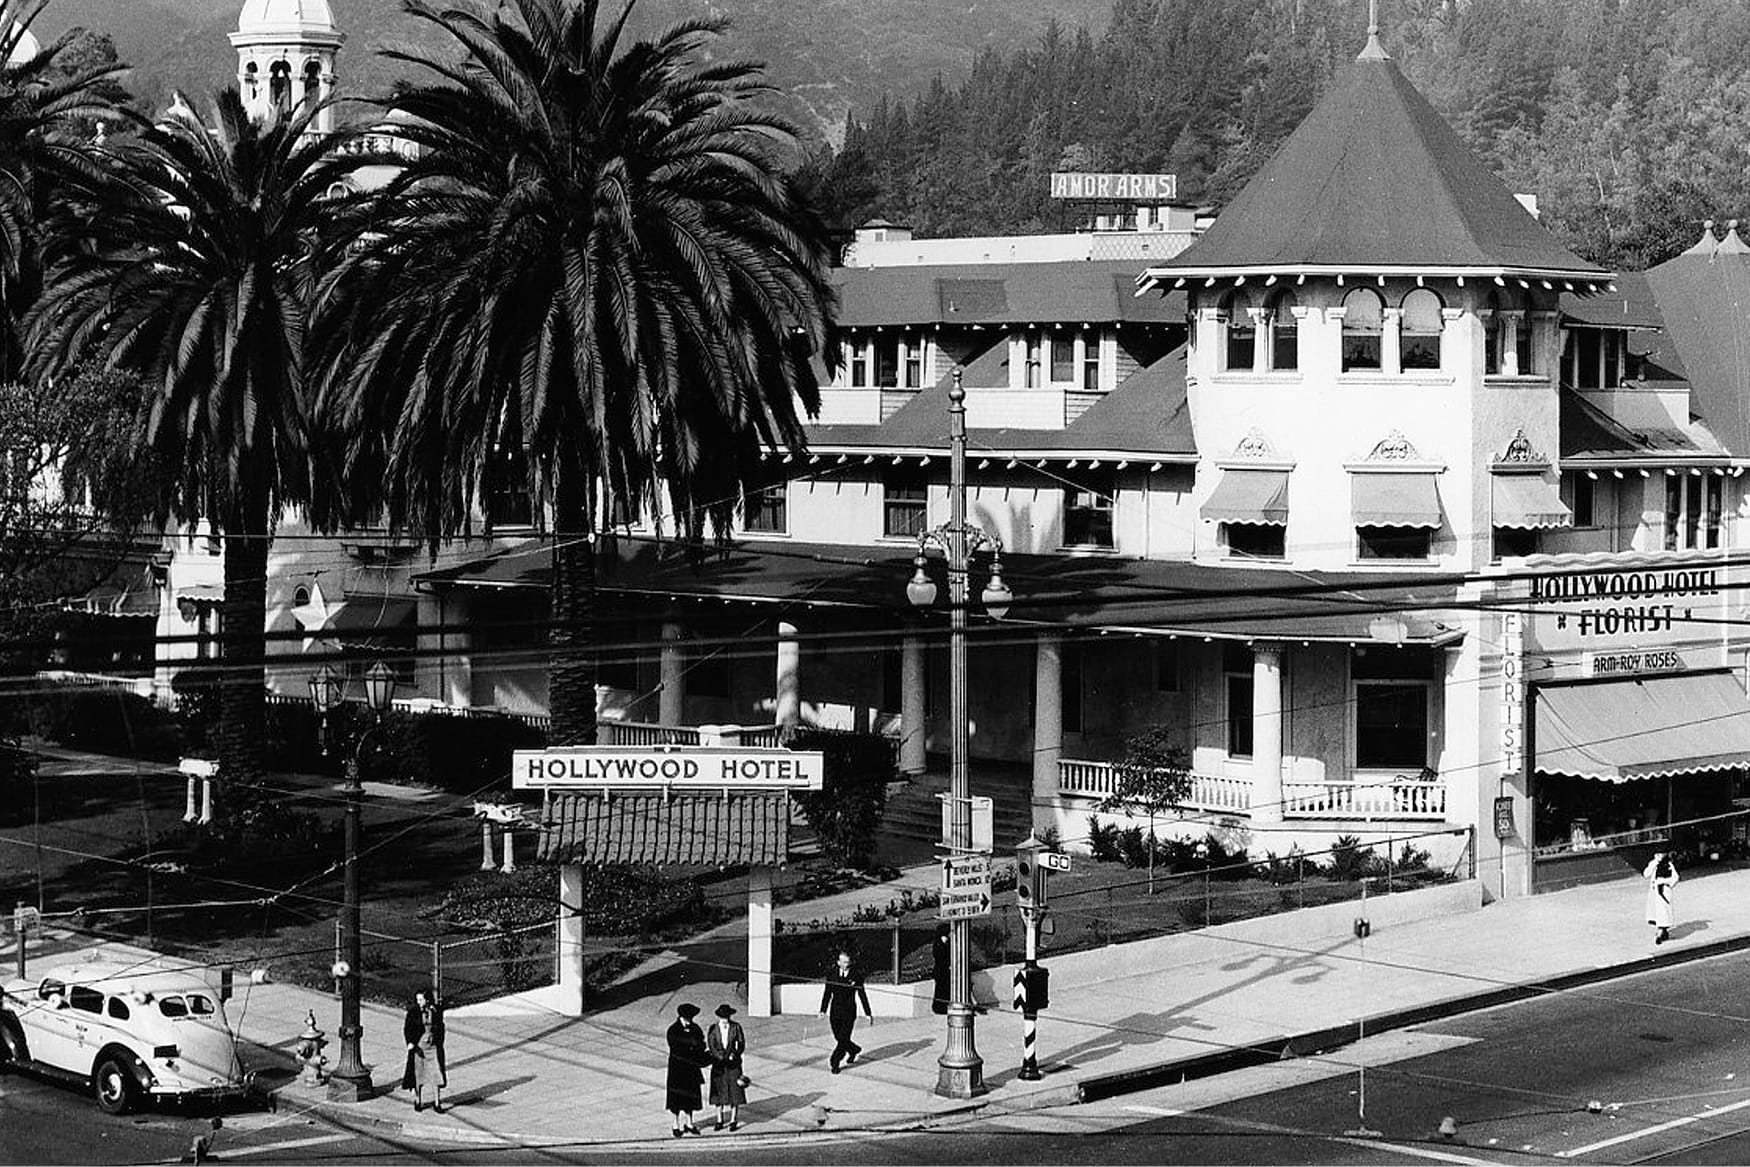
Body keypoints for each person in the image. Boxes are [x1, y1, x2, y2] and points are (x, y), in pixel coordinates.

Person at [819, 949, 872, 1074]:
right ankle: (853, 1049)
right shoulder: (832, 974)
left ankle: (835, 1062)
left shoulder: (856, 975)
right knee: (839, 1037)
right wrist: (823, 1010)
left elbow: (861, 994)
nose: (846, 964)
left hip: (849, 1012)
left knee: (843, 1039)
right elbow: (827, 993)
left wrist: (868, 1013)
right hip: (835, 1011)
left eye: (848, 962)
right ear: (838, 962)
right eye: (843, 962)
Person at [665, 1003, 710, 1137]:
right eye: (687, 1018)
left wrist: (698, 1050)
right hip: (678, 1069)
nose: (689, 1020)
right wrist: (692, 1047)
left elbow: (701, 1043)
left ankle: (689, 1123)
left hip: (691, 1068)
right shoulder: (673, 1030)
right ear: (681, 1017)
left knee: (691, 1096)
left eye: (691, 1018)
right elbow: (676, 1047)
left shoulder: (695, 1028)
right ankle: (676, 1124)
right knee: (676, 1098)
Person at [401, 988, 446, 1113]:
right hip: (419, 1048)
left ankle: (437, 1103)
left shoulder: (435, 1010)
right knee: (418, 1075)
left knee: (436, 1074)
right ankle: (418, 1100)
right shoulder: (413, 1012)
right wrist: (410, 1043)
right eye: (417, 1000)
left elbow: (441, 1027)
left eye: (421, 999)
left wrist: (438, 1040)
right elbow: (408, 1028)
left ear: (427, 999)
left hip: (433, 1047)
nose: (419, 1002)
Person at [706, 1003, 747, 1131]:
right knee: (719, 1092)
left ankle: (733, 1119)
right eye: (723, 1017)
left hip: (733, 1064)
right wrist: (721, 1057)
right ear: (719, 1017)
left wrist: (734, 1054)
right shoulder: (713, 1028)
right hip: (719, 1064)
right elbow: (711, 1046)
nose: (725, 1019)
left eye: (727, 1017)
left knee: (735, 1091)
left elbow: (741, 1043)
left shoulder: (736, 1027)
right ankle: (719, 1119)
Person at [1644, 851, 1679, 944]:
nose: (1659, 856)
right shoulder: (1653, 864)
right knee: (1656, 913)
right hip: (1654, 891)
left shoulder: (1669, 864)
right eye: (1657, 854)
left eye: (1661, 854)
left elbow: (1675, 878)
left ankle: (1660, 933)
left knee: (1663, 911)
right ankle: (1663, 932)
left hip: (1663, 891)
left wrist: (1665, 881)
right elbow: (1646, 874)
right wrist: (1655, 863)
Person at [930, 925, 951, 1016]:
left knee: (945, 990)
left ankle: (944, 1006)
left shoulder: (948, 942)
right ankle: (939, 1007)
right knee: (940, 990)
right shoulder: (938, 943)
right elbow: (939, 956)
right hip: (941, 970)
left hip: (945, 970)